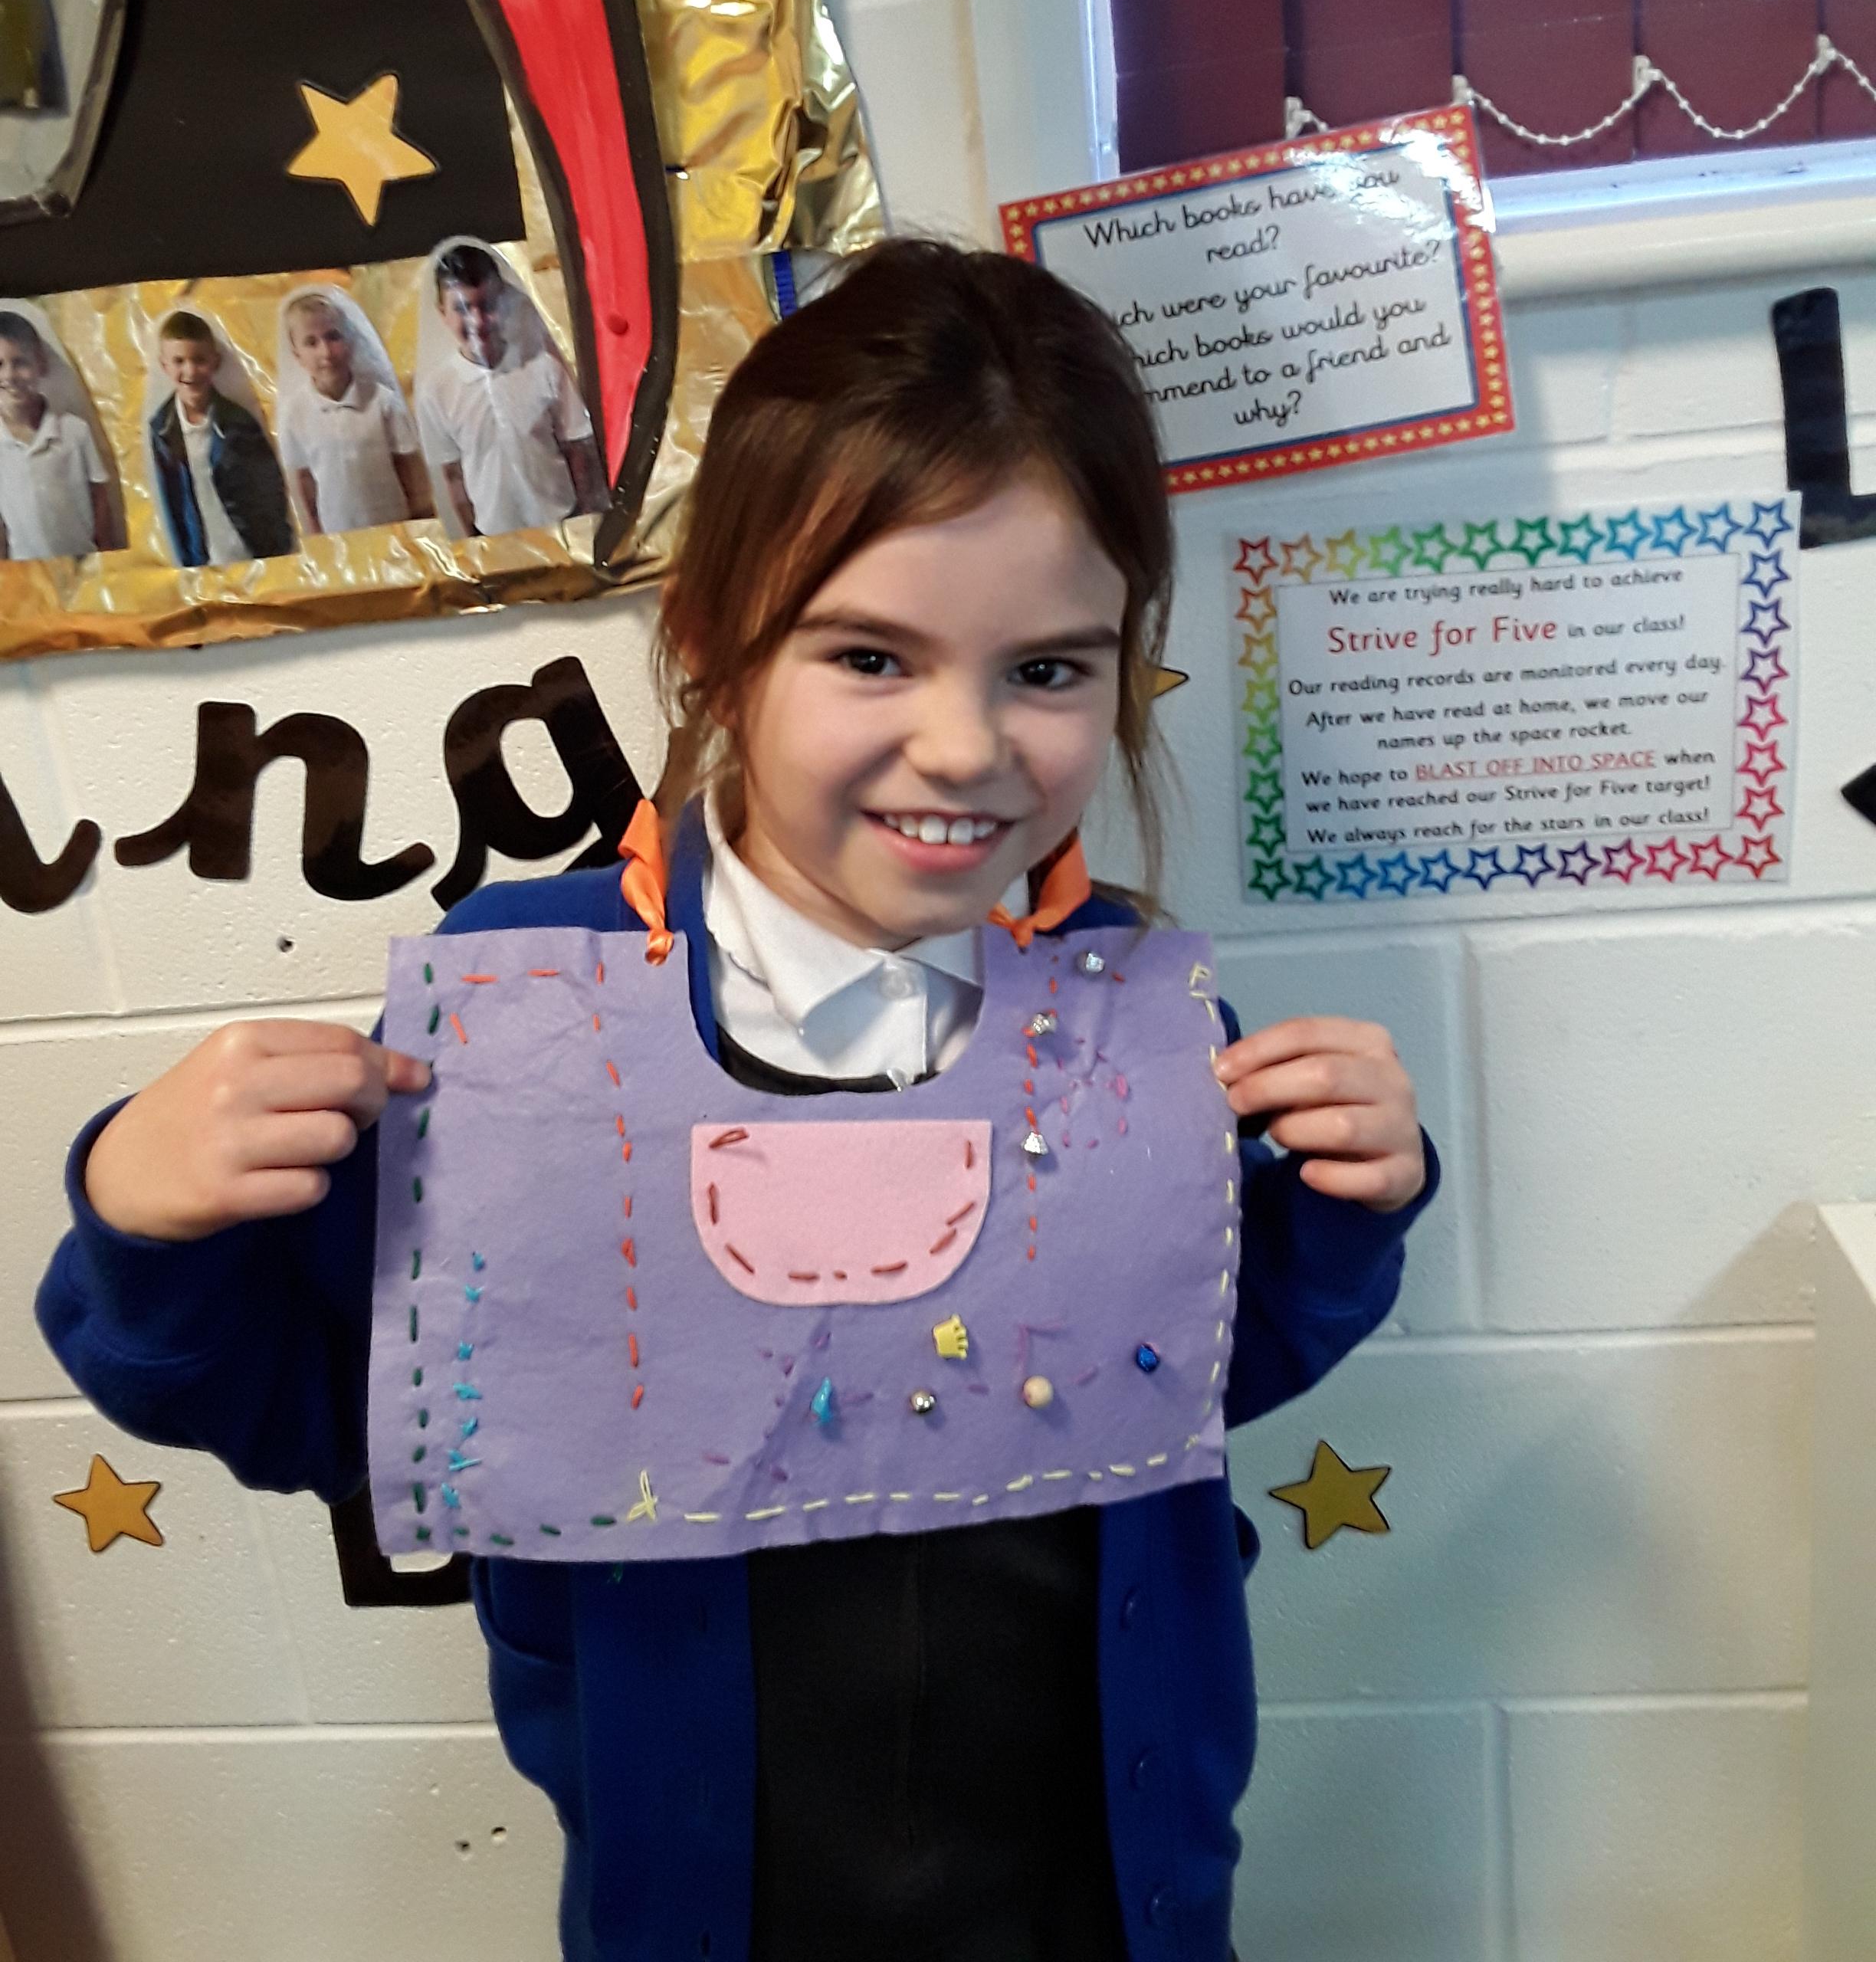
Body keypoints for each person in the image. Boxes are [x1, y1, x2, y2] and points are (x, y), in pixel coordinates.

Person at [38, 241, 1435, 1962]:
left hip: (1107, 1892)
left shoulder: (1125, 1006)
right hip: (713, 1901)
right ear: (712, 641)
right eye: (870, 656)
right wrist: (149, 1225)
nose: (965, 745)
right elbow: (326, 1408)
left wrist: (1337, 1209)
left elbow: (1173, 1378)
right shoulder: (526, 1005)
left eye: (1048, 670)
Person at [415, 239, 605, 536]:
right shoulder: (435, 392)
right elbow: (452, 475)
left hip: (562, 521)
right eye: (462, 308)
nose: (477, 321)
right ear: (443, 313)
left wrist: (583, 517)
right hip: (496, 535)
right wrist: (472, 540)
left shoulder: (544, 367)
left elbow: (576, 448)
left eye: (487, 305)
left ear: (503, 301)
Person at [277, 287, 432, 536]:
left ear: (350, 341)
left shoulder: (382, 400)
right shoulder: (295, 414)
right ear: (297, 355)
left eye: (333, 337)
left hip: (392, 527)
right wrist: (315, 533)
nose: (326, 352)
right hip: (338, 532)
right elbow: (303, 480)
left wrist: (419, 519)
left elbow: (408, 465)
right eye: (311, 342)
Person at [148, 307, 296, 566]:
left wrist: (278, 549)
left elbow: (269, 489)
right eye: (179, 361)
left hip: (251, 551)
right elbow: (172, 503)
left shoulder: (240, 423)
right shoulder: (162, 429)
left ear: (215, 362)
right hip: (203, 557)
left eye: (199, 360)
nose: (190, 371)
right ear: (165, 365)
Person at [0, 307, 116, 560]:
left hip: (83, 562)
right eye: (0, 365)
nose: (9, 376)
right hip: (29, 571)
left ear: (40, 363)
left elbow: (100, 498)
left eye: (20, 362)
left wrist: (106, 558)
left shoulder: (75, 431)